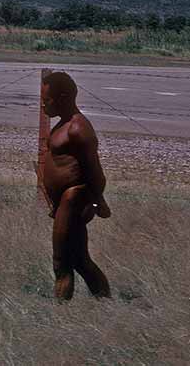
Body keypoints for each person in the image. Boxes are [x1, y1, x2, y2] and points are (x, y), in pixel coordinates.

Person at [41, 71, 112, 302]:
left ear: (62, 97)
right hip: (64, 202)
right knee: (80, 260)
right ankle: (106, 303)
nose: (43, 105)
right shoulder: (62, 125)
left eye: (47, 100)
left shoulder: (78, 128)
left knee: (61, 262)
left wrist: (97, 202)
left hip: (73, 199)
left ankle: (59, 319)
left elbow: (95, 171)